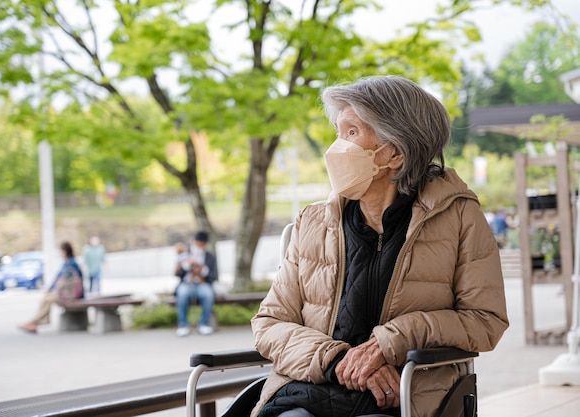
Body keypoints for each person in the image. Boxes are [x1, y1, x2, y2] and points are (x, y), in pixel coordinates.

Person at [250, 76, 509, 417]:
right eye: (338, 132)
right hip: (310, 389)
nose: (336, 148)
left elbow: (485, 320)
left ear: (395, 153)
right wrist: (336, 359)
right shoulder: (312, 221)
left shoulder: (460, 217)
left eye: (352, 133)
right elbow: (270, 324)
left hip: (404, 395)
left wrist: (393, 341)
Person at [17, 242, 84, 334]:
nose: (59, 253)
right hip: (64, 292)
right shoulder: (66, 263)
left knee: (49, 299)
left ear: (65, 251)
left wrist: (54, 289)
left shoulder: (72, 263)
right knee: (45, 299)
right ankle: (36, 323)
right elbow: (58, 278)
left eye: (60, 250)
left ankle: (33, 322)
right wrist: (50, 289)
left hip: (71, 294)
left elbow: (67, 280)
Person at [174, 231, 218, 337]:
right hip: (186, 283)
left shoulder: (209, 256)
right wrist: (187, 265)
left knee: (208, 294)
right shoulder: (185, 254)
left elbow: (213, 275)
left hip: (203, 283)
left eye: (201, 243)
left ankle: (204, 324)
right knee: (182, 294)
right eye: (197, 243)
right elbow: (177, 273)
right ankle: (183, 325)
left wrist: (203, 270)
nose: (199, 245)